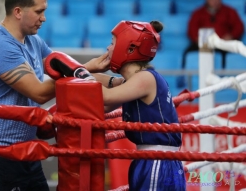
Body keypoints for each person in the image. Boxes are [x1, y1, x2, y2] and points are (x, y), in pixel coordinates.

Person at [0, 0, 110, 191]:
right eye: (38, 11)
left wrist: (118, 82)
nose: (43, 18)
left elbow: (67, 72)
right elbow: (39, 92)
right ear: (18, 12)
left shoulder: (34, 41)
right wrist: (87, 67)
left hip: (26, 149)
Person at [45, 20, 185, 191]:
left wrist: (79, 71)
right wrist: (84, 69)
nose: (108, 48)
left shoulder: (145, 79)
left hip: (158, 162)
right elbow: (103, 100)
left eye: (112, 43)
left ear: (130, 47)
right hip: (149, 160)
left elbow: (105, 97)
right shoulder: (133, 82)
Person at [181, 0, 245, 70]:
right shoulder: (198, 13)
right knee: (188, 52)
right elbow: (191, 29)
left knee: (232, 55)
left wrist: (231, 36)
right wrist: (198, 40)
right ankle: (185, 76)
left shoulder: (229, 11)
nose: (215, 1)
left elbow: (239, 27)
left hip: (223, 44)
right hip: (203, 45)